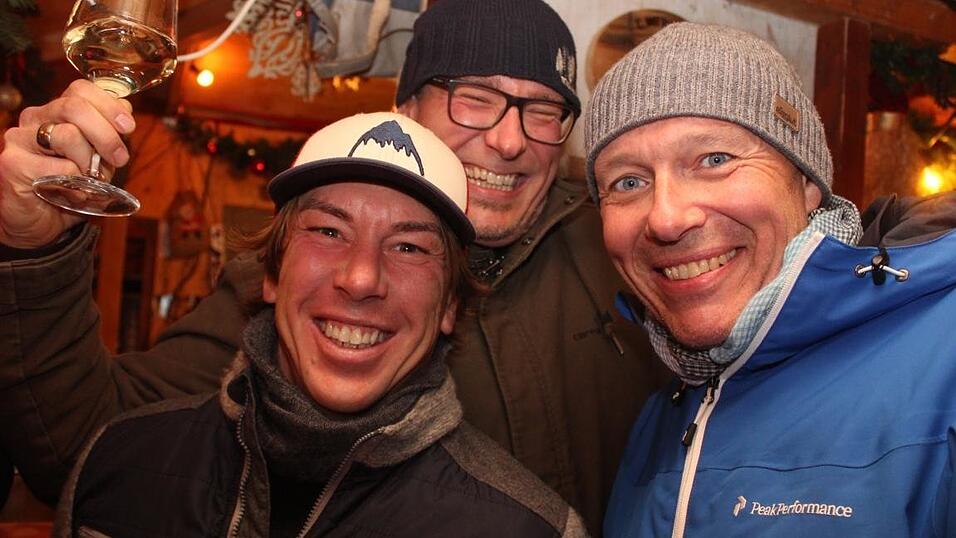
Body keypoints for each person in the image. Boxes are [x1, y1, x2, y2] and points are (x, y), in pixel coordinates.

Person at [0, 0, 666, 533]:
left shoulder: (624, 248)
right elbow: (88, 450)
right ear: (406, 111)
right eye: (474, 98)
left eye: (544, 111)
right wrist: (34, 251)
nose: (510, 139)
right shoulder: (302, 279)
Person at [51, 111, 586, 537]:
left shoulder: (526, 527)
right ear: (271, 273)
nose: (361, 278)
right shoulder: (116, 461)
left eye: (408, 246)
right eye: (329, 232)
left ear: (448, 306)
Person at [583, 22, 956, 537]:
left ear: (806, 183)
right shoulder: (664, 413)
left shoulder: (945, 365)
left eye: (714, 159)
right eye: (628, 181)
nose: (666, 219)